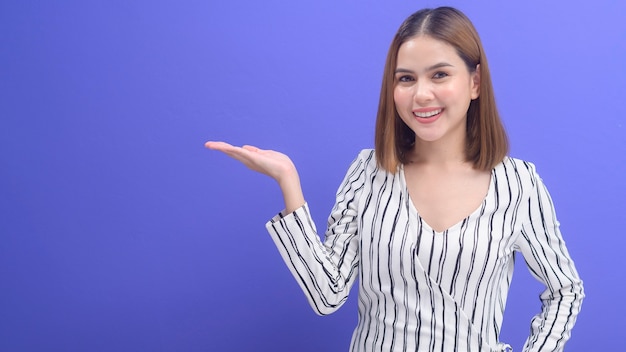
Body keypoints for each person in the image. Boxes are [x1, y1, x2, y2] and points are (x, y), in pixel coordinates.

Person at [205, 6, 584, 352]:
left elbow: (565, 290)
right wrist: (288, 181)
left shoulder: (519, 184)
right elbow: (327, 295)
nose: (421, 94)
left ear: (475, 83)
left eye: (439, 74)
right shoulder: (368, 172)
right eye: (406, 78)